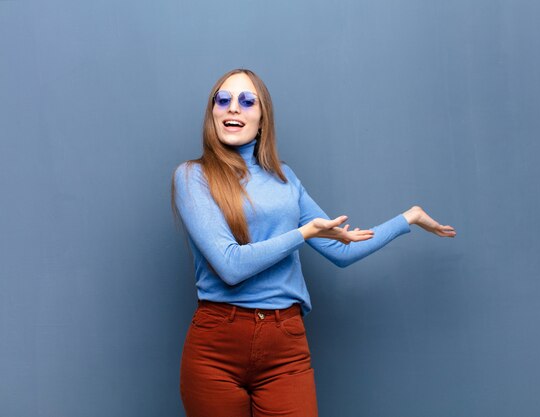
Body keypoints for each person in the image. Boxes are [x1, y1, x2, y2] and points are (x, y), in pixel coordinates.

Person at [172, 68, 456, 417]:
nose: (233, 108)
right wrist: (303, 233)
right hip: (216, 348)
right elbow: (230, 266)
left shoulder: (285, 178)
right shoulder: (192, 176)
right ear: (212, 112)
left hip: (284, 347)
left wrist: (406, 219)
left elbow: (340, 249)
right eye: (223, 100)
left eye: (247, 101)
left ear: (262, 120)